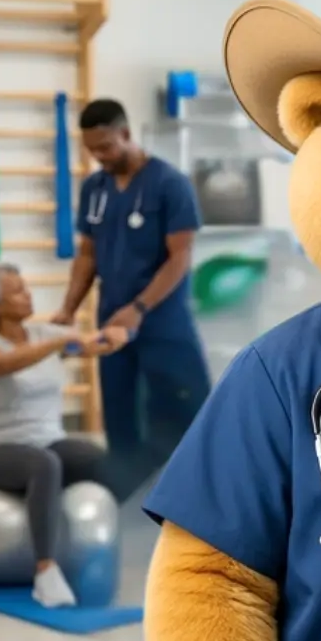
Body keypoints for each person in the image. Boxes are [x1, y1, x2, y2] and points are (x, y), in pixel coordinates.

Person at [54, 99, 214, 494]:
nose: (99, 156)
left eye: (106, 146)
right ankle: (127, 504)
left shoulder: (169, 184)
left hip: (164, 322)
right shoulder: (95, 188)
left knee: (183, 413)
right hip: (113, 322)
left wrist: (139, 308)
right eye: (91, 149)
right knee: (120, 416)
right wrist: (68, 309)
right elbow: (88, 253)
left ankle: (195, 498)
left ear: (126, 134)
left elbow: (180, 258)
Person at [0, 263, 125, 606]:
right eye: (18, 291)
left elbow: (91, 346)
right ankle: (45, 573)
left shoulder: (44, 335)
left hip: (47, 439)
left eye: (26, 287)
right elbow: (4, 364)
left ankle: (99, 551)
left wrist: (115, 335)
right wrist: (58, 342)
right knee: (44, 465)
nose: (28, 295)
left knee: (103, 460)